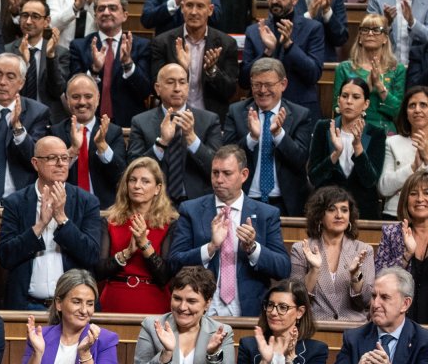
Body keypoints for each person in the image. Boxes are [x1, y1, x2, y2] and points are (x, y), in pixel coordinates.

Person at [168, 145, 291, 317]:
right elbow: (174, 263)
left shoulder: (266, 214)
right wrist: (210, 247)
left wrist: (253, 248)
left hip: (249, 311)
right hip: (202, 312)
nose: (219, 179)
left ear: (244, 175)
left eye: (227, 173)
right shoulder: (191, 210)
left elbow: (283, 269)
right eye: (215, 173)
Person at [0, 134, 103, 309]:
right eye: (52, 158)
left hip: (73, 309)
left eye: (65, 158)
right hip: (28, 306)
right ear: (35, 163)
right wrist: (39, 226)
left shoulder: (87, 202)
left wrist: (62, 219)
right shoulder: (15, 203)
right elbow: (5, 256)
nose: (61, 164)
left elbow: (91, 255)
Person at [224, 58, 314, 217]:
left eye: (269, 85)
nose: (262, 90)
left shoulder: (300, 115)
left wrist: (279, 135)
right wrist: (252, 138)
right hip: (246, 199)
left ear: (283, 84)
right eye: (257, 85)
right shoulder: (236, 112)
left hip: (285, 204)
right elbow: (226, 157)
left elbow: (300, 160)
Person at [130, 62, 223, 205]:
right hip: (154, 203)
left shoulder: (209, 120)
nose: (177, 88)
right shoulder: (141, 122)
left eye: (182, 82)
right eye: (170, 82)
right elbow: (133, 169)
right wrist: (161, 143)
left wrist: (192, 139)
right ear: (157, 88)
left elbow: (217, 168)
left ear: (188, 86)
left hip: (197, 203)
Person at [95, 157, 178, 313]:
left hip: (155, 300)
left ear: (157, 188)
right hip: (115, 299)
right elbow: (99, 271)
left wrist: (144, 244)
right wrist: (127, 253)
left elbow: (165, 276)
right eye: (132, 180)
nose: (137, 186)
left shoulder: (170, 222)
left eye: (145, 181)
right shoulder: (109, 220)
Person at [239, 0, 326, 122]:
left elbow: (313, 74)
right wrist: (267, 52)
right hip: (262, 110)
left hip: (300, 110)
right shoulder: (254, 31)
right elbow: (243, 80)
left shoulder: (312, 28)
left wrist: (289, 45)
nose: (274, 0)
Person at [68, 0, 152, 128]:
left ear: (125, 15)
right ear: (95, 16)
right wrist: (94, 70)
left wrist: (128, 64)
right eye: (101, 9)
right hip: (90, 124)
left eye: (112, 8)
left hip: (129, 124)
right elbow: (72, 90)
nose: (106, 12)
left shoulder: (141, 46)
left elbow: (145, 90)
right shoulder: (79, 46)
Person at [290, 187, 376, 322]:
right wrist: (314, 270)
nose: (339, 215)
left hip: (354, 329)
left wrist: (355, 275)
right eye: (331, 209)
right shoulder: (301, 249)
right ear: (319, 216)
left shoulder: (364, 250)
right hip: (315, 328)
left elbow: (367, 300)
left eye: (344, 210)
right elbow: (296, 299)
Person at [309, 79, 387, 220]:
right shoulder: (323, 127)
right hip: (326, 210)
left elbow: (370, 181)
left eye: (356, 97)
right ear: (339, 101)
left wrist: (358, 147)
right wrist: (335, 154)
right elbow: (314, 178)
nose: (349, 101)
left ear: (366, 104)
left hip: (363, 212)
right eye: (345, 96)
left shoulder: (377, 134)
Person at [50, 73, 128, 209]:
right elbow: (49, 176)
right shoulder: (56, 133)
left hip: (104, 210)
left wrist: (102, 146)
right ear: (67, 100)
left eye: (88, 96)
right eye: (75, 97)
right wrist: (73, 150)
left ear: (97, 99)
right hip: (65, 208)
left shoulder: (112, 132)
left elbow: (121, 177)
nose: (82, 102)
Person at [335, 16, 407, 134]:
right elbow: (337, 108)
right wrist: (366, 87)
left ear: (385, 38)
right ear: (359, 38)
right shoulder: (344, 68)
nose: (370, 33)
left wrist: (379, 85)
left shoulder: (397, 69)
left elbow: (398, 111)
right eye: (365, 29)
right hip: (352, 129)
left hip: (385, 130)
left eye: (376, 30)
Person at [376, 170, 428, 323]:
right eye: (413, 194)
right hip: (399, 322)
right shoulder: (392, 233)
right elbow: (380, 280)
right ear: (405, 199)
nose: (420, 199)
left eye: (426, 192)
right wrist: (406, 255)